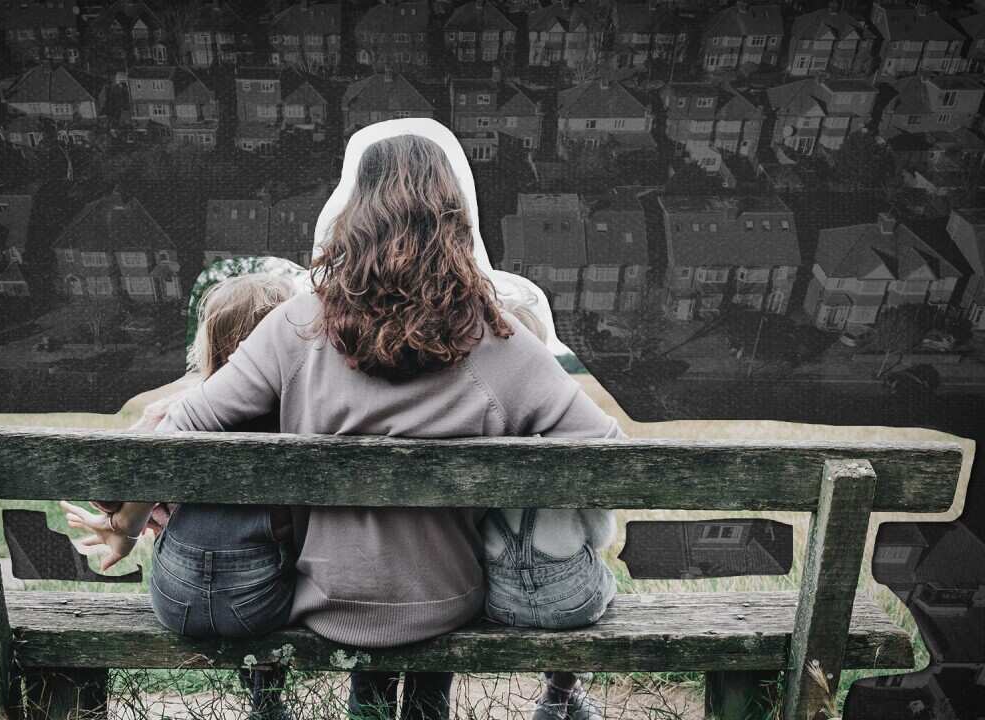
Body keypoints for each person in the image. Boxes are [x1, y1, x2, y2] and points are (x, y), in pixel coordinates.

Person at [94, 130, 624, 720]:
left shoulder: (296, 324)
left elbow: (179, 433)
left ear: (353, 214)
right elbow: (606, 456)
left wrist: (126, 520)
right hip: (448, 598)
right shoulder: (497, 337)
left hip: (326, 602)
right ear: (455, 221)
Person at [61, 272, 299, 719]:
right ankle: (266, 701)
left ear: (214, 344)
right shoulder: (296, 414)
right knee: (269, 551)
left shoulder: (181, 412)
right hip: (261, 606)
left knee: (197, 536)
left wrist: (126, 524)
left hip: (175, 601)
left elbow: (108, 489)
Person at [486, 299, 615, 720]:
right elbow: (600, 537)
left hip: (499, 603)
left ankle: (562, 699)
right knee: (601, 576)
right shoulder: (570, 441)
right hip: (571, 603)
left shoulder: (477, 433)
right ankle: (558, 695)